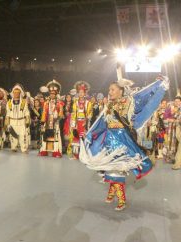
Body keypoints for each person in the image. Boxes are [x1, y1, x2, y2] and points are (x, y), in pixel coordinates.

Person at [80, 76, 168, 211]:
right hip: (108, 140)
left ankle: (121, 199)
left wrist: (160, 85)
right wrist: (90, 134)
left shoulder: (130, 101)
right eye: (109, 89)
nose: (110, 92)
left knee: (118, 168)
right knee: (110, 166)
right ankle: (111, 192)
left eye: (113, 89)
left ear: (121, 91)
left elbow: (147, 98)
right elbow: (102, 124)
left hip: (122, 140)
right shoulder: (108, 105)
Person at [39, 80, 64, 157]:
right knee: (45, 136)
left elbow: (61, 112)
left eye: (53, 94)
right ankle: (44, 150)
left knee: (56, 136)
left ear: (56, 94)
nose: (52, 95)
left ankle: (56, 151)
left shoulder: (59, 103)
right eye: (51, 94)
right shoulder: (46, 103)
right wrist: (43, 121)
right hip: (47, 121)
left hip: (55, 121)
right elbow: (44, 112)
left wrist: (58, 119)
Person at [5, 83, 30, 153]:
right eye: (15, 93)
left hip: (21, 121)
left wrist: (27, 119)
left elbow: (26, 111)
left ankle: (24, 149)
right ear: (13, 93)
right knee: (13, 135)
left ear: (20, 93)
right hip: (12, 121)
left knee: (23, 136)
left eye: (18, 93)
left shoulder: (24, 102)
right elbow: (8, 113)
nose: (16, 94)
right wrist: (7, 120)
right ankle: (13, 147)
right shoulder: (9, 102)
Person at [70, 81, 93, 159]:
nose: (81, 94)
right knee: (76, 138)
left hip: (84, 123)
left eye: (82, 92)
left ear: (85, 93)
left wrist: (87, 122)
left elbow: (90, 114)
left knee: (84, 138)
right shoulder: (75, 103)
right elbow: (73, 115)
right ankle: (76, 155)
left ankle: (84, 155)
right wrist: (73, 125)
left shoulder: (88, 103)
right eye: (79, 92)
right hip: (77, 123)